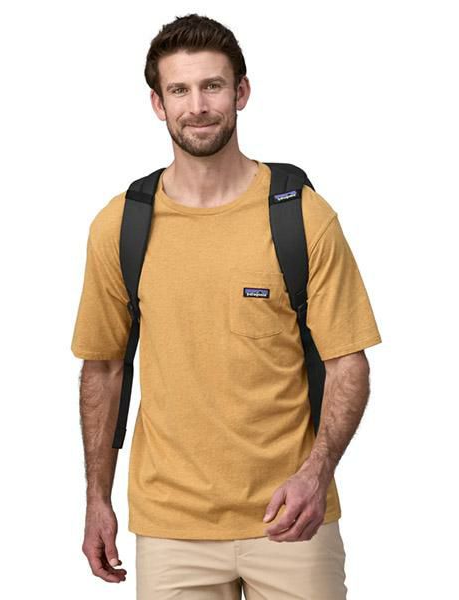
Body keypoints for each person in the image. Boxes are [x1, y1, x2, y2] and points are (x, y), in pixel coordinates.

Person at [71, 13, 382, 599]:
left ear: (241, 92)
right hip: (170, 526)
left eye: (212, 86)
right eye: (179, 90)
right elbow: (103, 370)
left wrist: (317, 474)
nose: (198, 106)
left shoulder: (303, 216)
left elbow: (349, 364)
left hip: (292, 518)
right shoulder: (120, 226)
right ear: (158, 103)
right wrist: (96, 498)